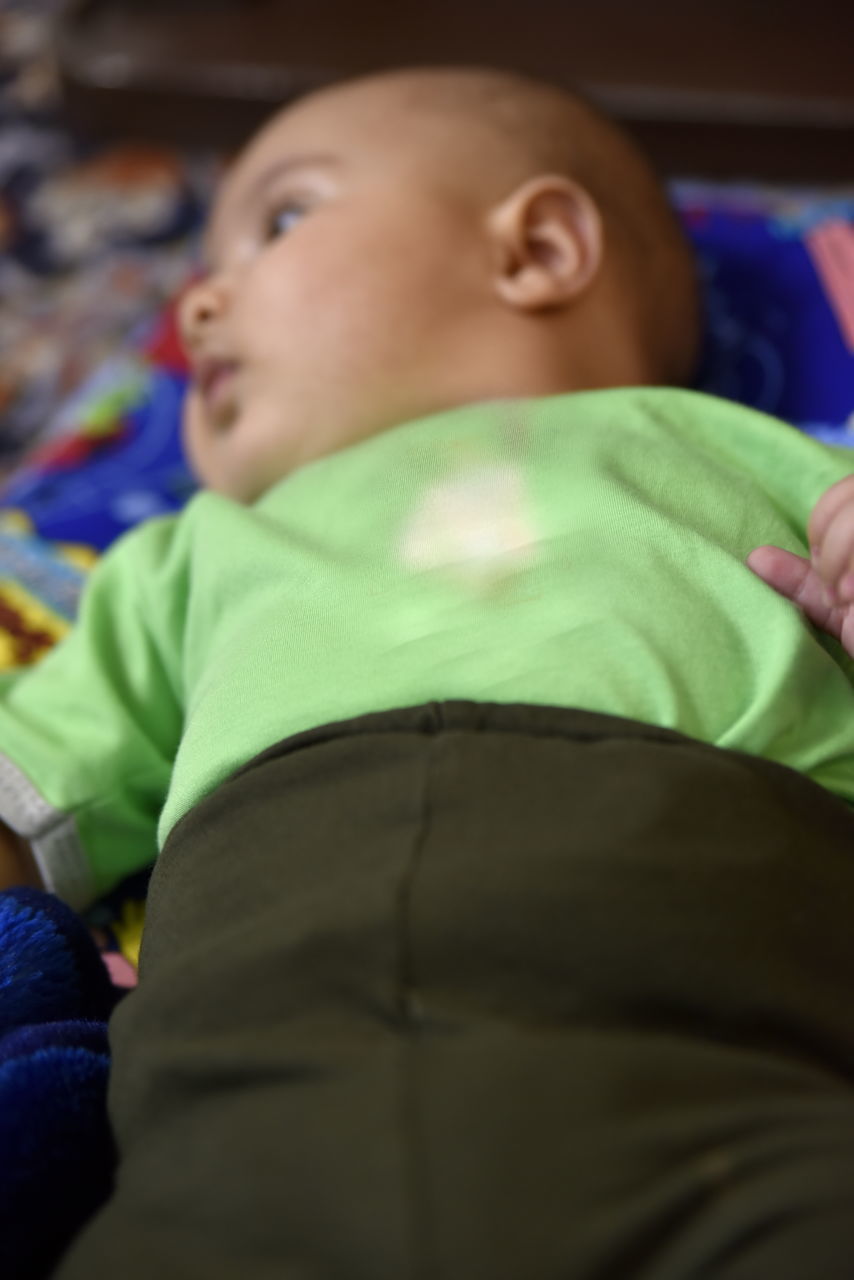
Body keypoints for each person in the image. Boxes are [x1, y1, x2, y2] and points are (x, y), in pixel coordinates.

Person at [3, 65, 854, 1278]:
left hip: (728, 975)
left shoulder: (733, 447)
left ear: (537, 250)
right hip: (246, 1058)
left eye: (282, 219)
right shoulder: (185, 555)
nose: (194, 306)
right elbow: (33, 787)